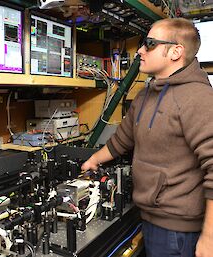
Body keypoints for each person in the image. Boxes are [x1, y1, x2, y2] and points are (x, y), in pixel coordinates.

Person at [82, 18, 213, 257]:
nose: (140, 50)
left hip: (179, 232)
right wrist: (92, 161)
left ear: (175, 51)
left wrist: (209, 237)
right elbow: (122, 140)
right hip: (151, 218)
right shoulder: (145, 95)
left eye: (149, 44)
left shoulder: (198, 98)